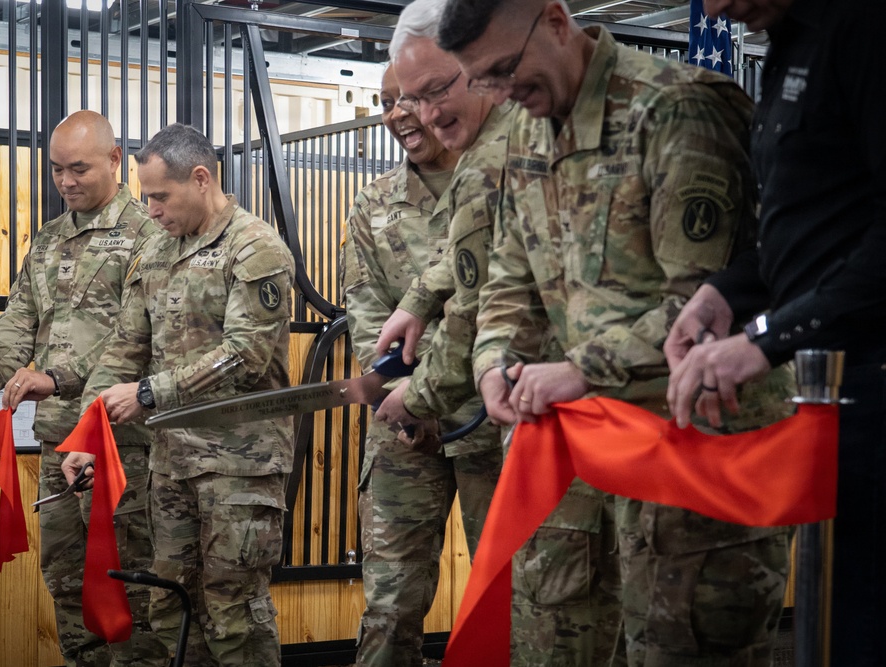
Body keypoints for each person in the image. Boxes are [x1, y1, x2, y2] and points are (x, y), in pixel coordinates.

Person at [438, 0, 795, 665]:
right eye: (480, 79)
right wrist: (494, 363)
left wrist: (579, 370)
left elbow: (705, 303)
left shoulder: (675, 111)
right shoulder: (524, 130)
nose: (500, 91)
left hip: (698, 461)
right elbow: (510, 278)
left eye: (504, 67)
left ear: (554, 19)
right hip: (595, 456)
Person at [665, 1, 886, 665]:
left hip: (875, 380)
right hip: (827, 388)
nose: (721, 8)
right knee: (833, 625)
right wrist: (725, 294)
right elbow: (808, 226)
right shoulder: (785, 43)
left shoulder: (864, 29)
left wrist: (766, 337)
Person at [66, 123, 295, 665]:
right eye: (146, 197)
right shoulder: (157, 252)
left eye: (160, 196)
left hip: (239, 467)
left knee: (233, 613)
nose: (151, 210)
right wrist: (88, 434)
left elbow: (245, 354)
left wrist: (150, 393)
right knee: (171, 609)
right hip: (171, 464)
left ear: (201, 178)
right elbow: (123, 349)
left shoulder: (255, 246)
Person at [0, 110, 169, 667]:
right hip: (60, 442)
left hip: (122, 444)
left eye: (78, 168)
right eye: (56, 170)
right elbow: (20, 316)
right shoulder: (52, 239)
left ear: (113, 160)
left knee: (130, 586)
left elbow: (140, 337)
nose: (66, 181)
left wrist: (57, 377)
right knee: (65, 581)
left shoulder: (150, 234)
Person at [341, 61, 502, 667]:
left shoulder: (498, 180)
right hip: (402, 429)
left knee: (508, 590)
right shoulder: (373, 204)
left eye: (409, 97)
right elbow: (365, 311)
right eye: (386, 102)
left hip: (495, 420)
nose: (397, 113)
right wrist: (402, 396)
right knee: (390, 602)